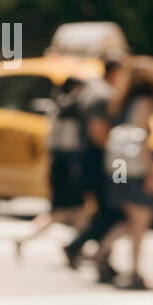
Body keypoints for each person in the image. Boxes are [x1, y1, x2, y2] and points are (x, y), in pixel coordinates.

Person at [92, 59, 153, 289]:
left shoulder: (120, 99)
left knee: (131, 218)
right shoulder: (143, 101)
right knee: (140, 219)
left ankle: (102, 252)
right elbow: (139, 139)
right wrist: (151, 173)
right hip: (134, 168)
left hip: (118, 166)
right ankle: (133, 271)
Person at [62, 55, 126, 270]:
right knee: (113, 212)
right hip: (98, 161)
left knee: (104, 211)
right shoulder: (103, 94)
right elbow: (98, 131)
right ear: (115, 71)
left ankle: (101, 258)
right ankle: (81, 248)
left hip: (86, 159)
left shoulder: (93, 89)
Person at [14, 77, 86, 258]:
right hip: (66, 167)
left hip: (58, 165)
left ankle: (77, 246)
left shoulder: (57, 106)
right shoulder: (70, 108)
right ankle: (26, 238)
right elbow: (71, 144)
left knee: (75, 211)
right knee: (61, 213)